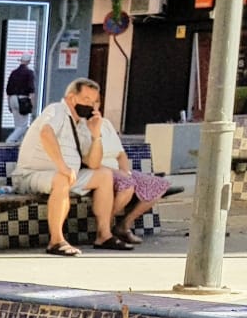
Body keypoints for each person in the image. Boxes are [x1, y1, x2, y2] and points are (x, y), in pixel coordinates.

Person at [12, 77, 160, 256]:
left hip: (67, 175)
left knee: (104, 175)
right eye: (86, 100)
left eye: (93, 101)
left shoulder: (82, 125)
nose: (90, 105)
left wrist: (96, 135)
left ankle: (103, 235)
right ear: (72, 98)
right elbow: (46, 133)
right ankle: (56, 241)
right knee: (62, 178)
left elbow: (93, 163)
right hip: (33, 174)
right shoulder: (57, 110)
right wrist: (63, 166)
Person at [4, 59, 37, 142]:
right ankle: (10, 141)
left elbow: (8, 90)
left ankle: (19, 144)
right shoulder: (29, 73)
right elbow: (31, 90)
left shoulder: (13, 73)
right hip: (22, 100)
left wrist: (9, 104)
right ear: (28, 62)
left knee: (17, 124)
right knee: (23, 126)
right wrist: (32, 105)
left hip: (12, 99)